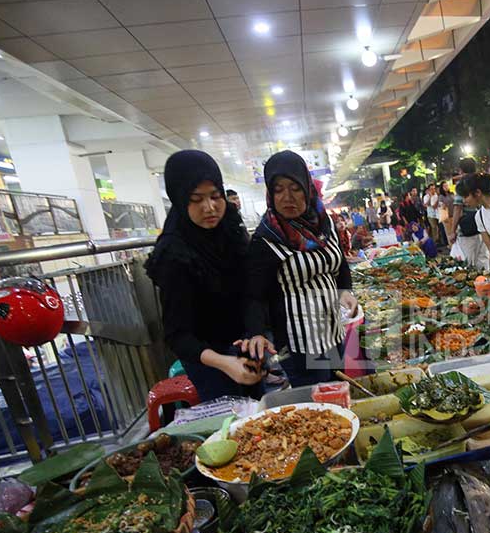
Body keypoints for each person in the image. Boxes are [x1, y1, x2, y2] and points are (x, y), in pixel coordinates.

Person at [145, 150, 259, 402]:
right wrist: (224, 363)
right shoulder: (174, 253)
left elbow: (250, 289)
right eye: (196, 199)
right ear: (179, 198)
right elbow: (177, 335)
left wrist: (255, 334)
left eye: (215, 196)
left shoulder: (230, 227)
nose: (210, 208)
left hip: (244, 347)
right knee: (231, 424)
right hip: (208, 359)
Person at [243, 151, 359, 388]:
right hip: (300, 343)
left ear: (307, 188)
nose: (288, 197)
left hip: (332, 330)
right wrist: (256, 333)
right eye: (278, 189)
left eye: (295, 187)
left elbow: (339, 264)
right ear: (270, 193)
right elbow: (253, 295)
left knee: (338, 389)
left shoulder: (324, 226)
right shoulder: (266, 240)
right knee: (318, 405)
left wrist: (345, 290)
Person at [450, 157, 489, 270]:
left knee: (467, 263)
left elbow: (457, 209)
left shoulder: (462, 185)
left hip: (467, 229)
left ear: (461, 170)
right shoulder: (480, 182)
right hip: (483, 227)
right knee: (482, 260)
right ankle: (485, 284)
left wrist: (452, 231)